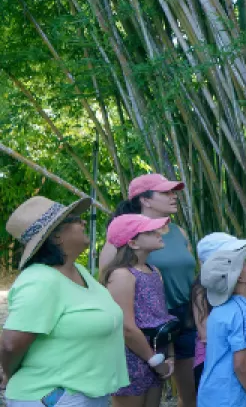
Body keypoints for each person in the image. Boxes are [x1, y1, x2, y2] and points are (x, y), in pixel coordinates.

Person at [2, 196, 127, 406]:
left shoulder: (79, 271)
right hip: (54, 397)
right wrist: (8, 374)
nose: (84, 222)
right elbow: (11, 344)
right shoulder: (40, 280)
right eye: (75, 219)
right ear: (57, 236)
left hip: (84, 395)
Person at [100, 174, 200, 407]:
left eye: (173, 191)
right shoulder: (124, 234)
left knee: (189, 391)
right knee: (140, 389)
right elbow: (106, 282)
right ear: (145, 200)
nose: (173, 196)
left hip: (181, 319)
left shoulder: (178, 232)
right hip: (141, 326)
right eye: (165, 192)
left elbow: (192, 275)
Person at [101, 214, 180, 407]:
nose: (159, 233)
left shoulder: (153, 271)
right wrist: (154, 361)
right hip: (132, 359)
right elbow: (125, 327)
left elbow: (162, 318)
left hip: (155, 356)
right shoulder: (122, 275)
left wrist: (169, 356)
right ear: (133, 243)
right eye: (151, 232)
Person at [196, 233, 246, 407]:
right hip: (231, 396)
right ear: (238, 276)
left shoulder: (219, 309)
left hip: (209, 393)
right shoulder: (243, 312)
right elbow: (241, 364)